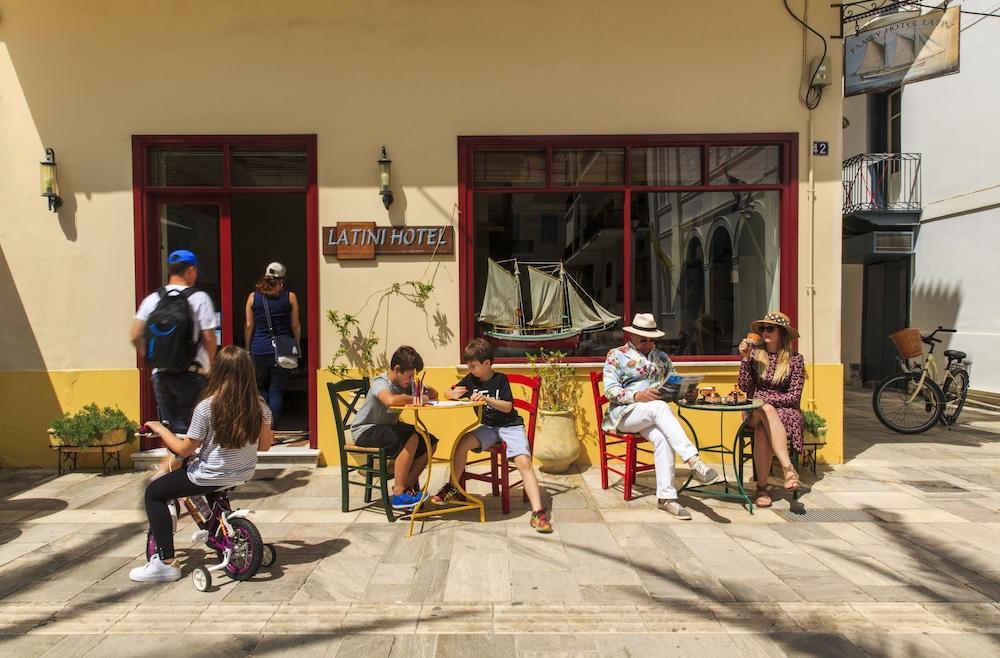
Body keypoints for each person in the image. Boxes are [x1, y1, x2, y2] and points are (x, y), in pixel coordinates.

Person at [130, 345, 273, 582]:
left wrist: (159, 428)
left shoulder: (207, 408)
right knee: (203, 481)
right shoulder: (260, 406)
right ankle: (215, 527)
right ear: (249, 372)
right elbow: (266, 445)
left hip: (210, 475)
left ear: (217, 372)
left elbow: (183, 449)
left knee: (154, 493)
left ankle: (164, 562)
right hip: (243, 472)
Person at [602, 313, 719, 520]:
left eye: (651, 339)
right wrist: (638, 395)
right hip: (624, 415)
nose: (648, 344)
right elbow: (610, 391)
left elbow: (673, 386)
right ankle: (693, 460)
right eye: (643, 340)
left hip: (652, 416)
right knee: (659, 407)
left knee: (662, 437)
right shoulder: (616, 355)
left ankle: (667, 498)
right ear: (632, 337)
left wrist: (687, 394)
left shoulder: (662, 358)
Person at [432, 339, 553, 534]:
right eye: (469, 366)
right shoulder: (470, 380)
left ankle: (538, 513)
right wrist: (452, 393)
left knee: (523, 462)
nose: (470, 370)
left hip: (510, 426)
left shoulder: (500, 380)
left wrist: (486, 398)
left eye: (473, 366)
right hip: (489, 428)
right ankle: (453, 488)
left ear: (487, 363)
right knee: (461, 443)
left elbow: (508, 407)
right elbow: (447, 391)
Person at [130, 249, 217, 434]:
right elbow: (209, 338)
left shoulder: (152, 299)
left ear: (170, 270)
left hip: (161, 375)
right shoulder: (199, 298)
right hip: (193, 374)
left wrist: (154, 358)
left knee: (170, 432)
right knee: (195, 433)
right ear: (191, 270)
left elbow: (135, 335)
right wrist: (211, 366)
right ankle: (187, 464)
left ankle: (175, 462)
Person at [350, 345, 440, 510]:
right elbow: (389, 400)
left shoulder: (405, 384)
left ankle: (408, 489)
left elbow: (434, 394)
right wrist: (415, 398)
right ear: (397, 369)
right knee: (411, 438)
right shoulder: (380, 382)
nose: (412, 379)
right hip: (366, 430)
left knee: (429, 441)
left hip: (387, 428)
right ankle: (399, 493)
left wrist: (420, 388)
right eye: (410, 375)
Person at [738, 311, 803, 507]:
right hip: (755, 410)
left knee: (762, 431)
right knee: (764, 409)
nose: (765, 332)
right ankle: (788, 469)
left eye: (770, 328)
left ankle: (761, 489)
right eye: (763, 328)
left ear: (781, 333)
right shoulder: (755, 356)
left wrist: (766, 400)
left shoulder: (795, 360)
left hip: (784, 412)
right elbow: (744, 387)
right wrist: (744, 359)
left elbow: (794, 396)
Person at [244, 261, 301, 429]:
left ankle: (261, 428)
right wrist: (296, 345)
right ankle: (272, 432)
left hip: (259, 349)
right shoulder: (290, 297)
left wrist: (247, 347)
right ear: (282, 279)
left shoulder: (253, 297)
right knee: (276, 391)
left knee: (260, 390)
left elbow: (248, 325)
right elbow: (295, 325)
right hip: (283, 350)